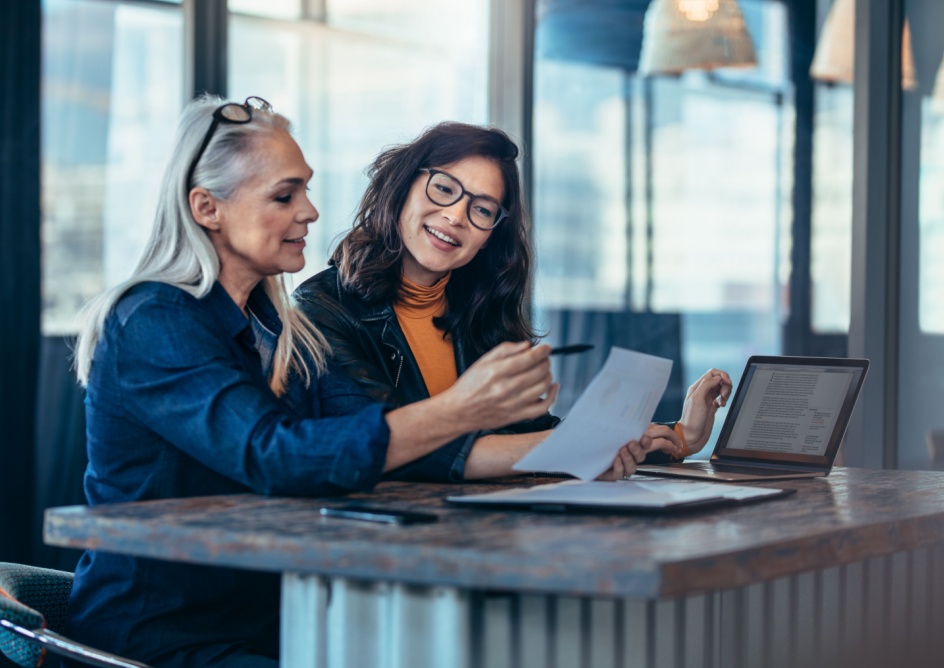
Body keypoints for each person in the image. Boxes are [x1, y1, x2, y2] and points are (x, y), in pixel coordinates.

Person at [66, 96, 650, 668]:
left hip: (279, 616)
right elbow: (275, 456)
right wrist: (464, 409)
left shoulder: (274, 324)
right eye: (284, 195)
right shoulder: (155, 320)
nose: (310, 212)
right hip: (168, 637)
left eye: (306, 190)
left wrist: (596, 442)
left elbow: (364, 434)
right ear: (206, 208)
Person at [294, 121, 733, 475]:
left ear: (490, 236)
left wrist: (679, 437)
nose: (455, 216)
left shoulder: (479, 311)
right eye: (444, 189)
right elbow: (393, 447)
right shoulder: (321, 309)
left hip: (486, 535)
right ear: (402, 186)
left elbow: (530, 435)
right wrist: (577, 448)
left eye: (482, 209)